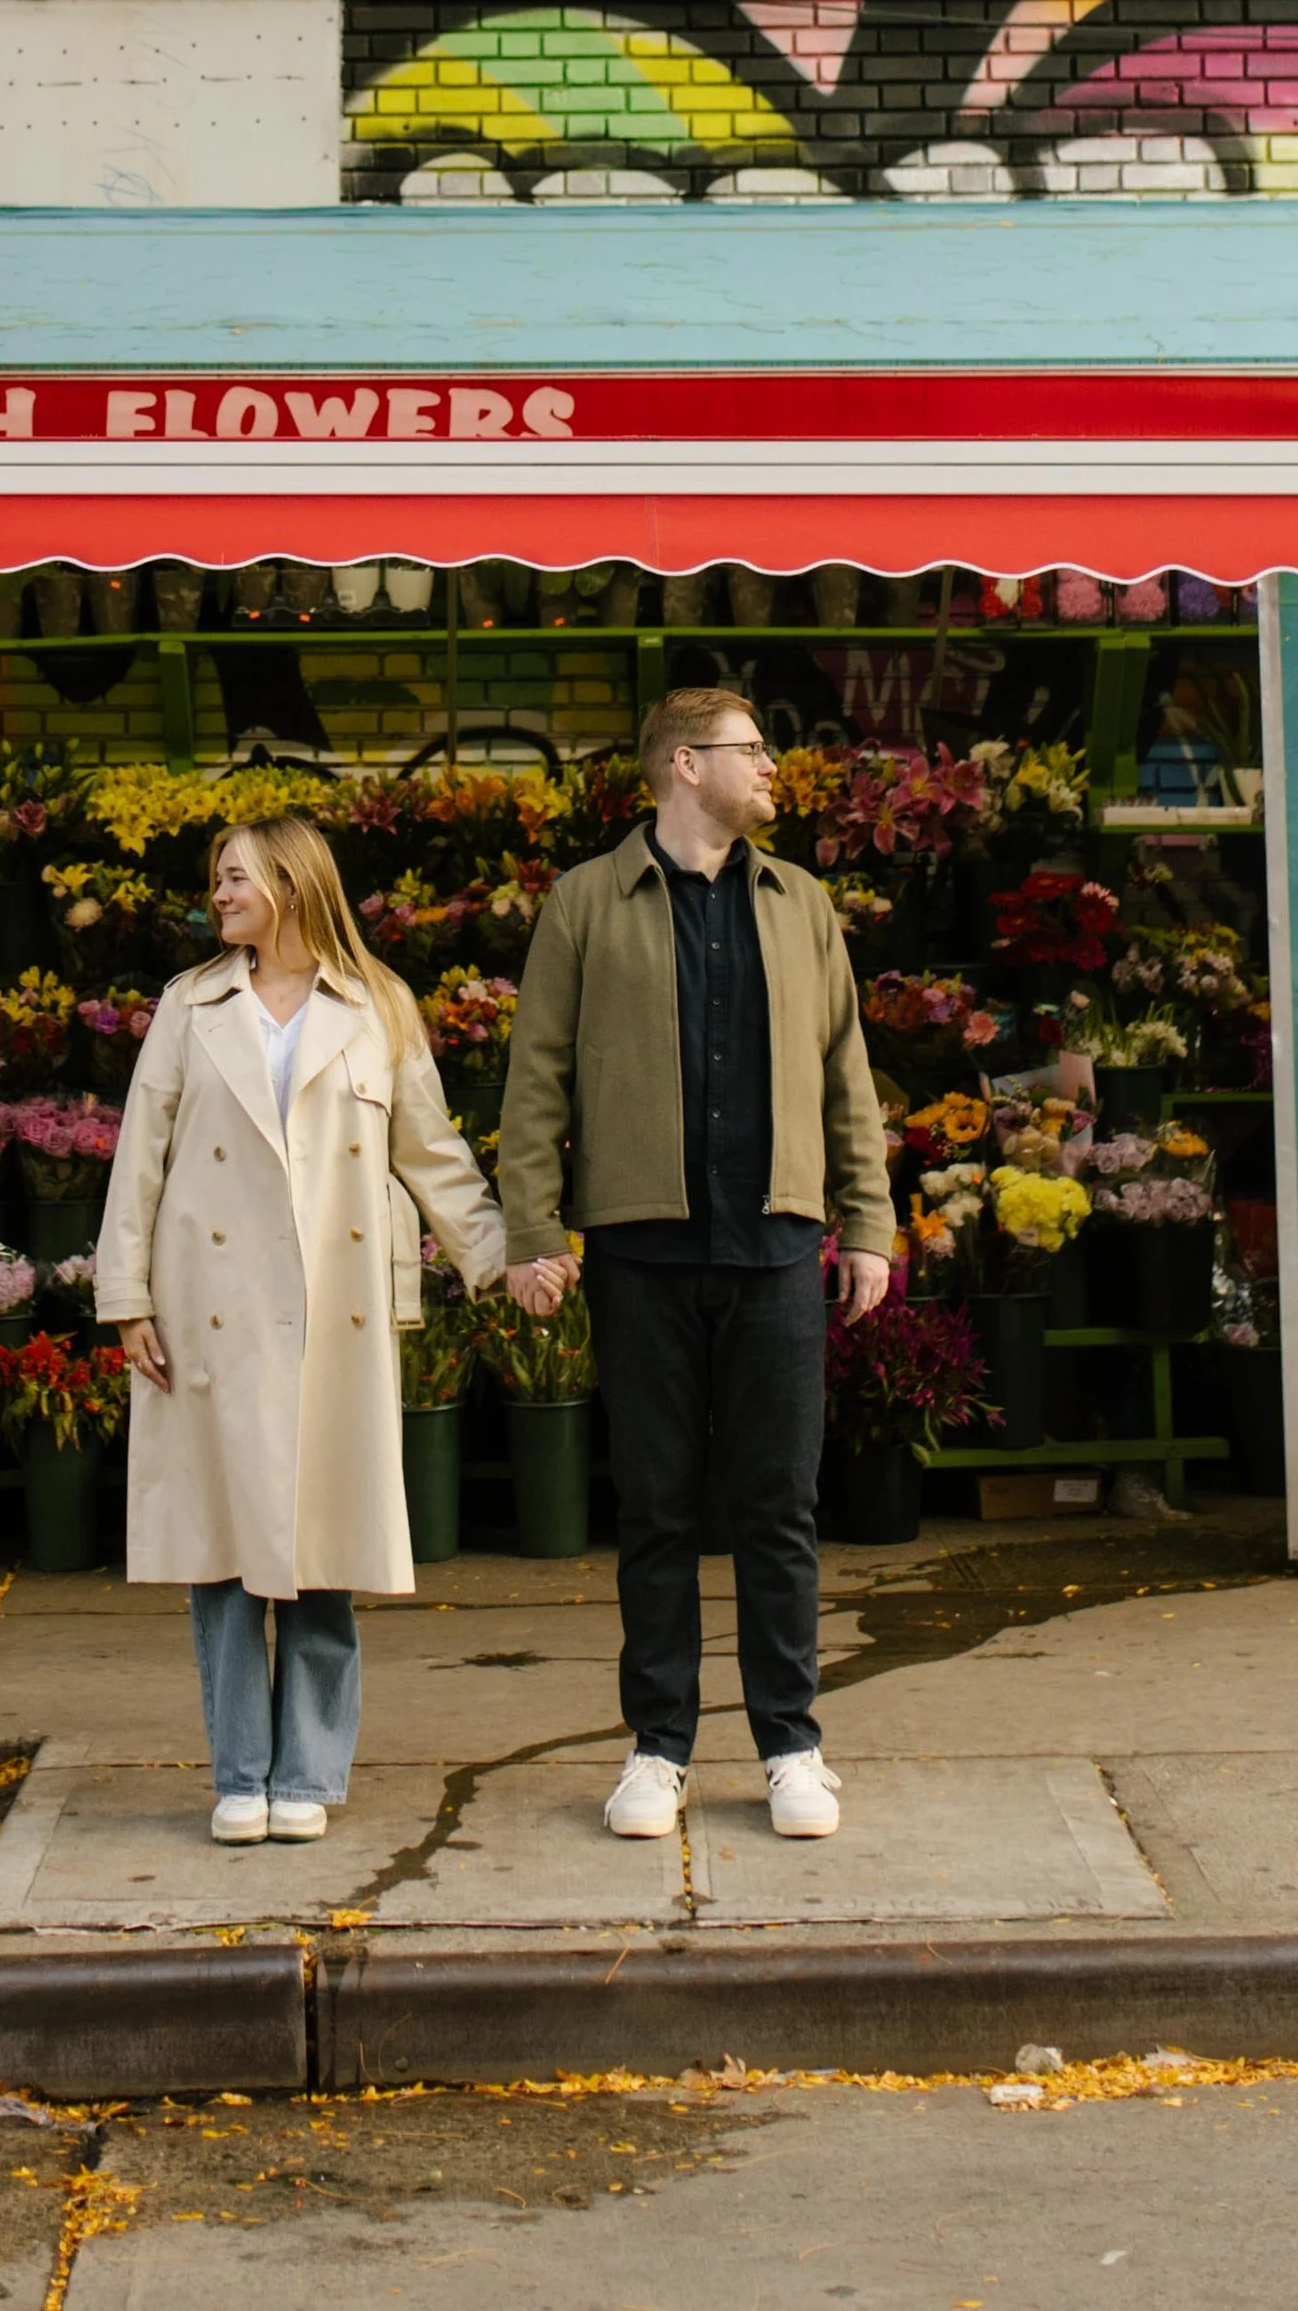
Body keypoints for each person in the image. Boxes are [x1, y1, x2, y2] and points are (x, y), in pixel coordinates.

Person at [498, 685, 892, 1845]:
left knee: (778, 1509)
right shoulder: (584, 903)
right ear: (682, 764)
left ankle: (791, 1746)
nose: (772, 767)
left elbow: (844, 1074)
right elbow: (535, 1083)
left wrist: (864, 1221)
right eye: (750, 749)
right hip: (640, 1246)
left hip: (774, 1241)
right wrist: (532, 1232)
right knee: (657, 1510)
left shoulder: (802, 905)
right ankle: (657, 1748)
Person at [96, 813, 507, 1846]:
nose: (217, 895)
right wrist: (126, 1298)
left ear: (287, 882)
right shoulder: (190, 1007)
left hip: (335, 1314)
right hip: (212, 1315)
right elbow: (138, 1157)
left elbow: (432, 1151)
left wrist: (505, 1257)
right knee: (226, 1550)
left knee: (324, 1549)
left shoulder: (376, 1007)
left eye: (232, 877)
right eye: (216, 879)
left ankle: (310, 1776)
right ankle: (241, 1773)